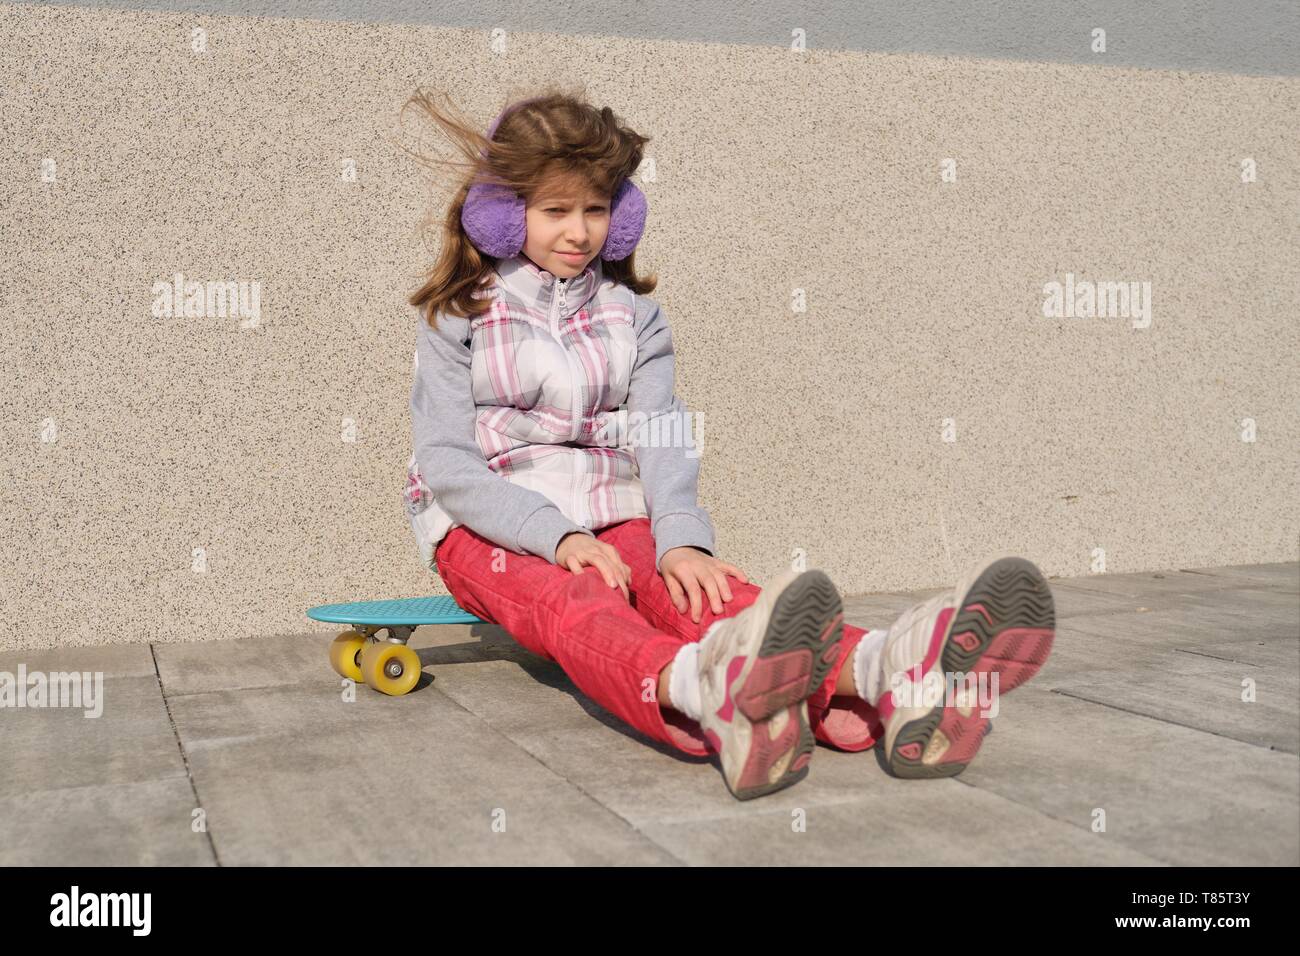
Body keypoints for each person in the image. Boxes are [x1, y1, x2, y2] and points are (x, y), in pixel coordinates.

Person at [401, 86, 1056, 800]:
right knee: (580, 604)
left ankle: (887, 670)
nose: (579, 232)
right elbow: (445, 462)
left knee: (704, 593)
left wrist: (680, 537)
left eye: (595, 209)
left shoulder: (634, 319)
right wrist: (553, 537)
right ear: (503, 215)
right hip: (488, 525)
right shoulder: (460, 318)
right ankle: (704, 689)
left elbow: (663, 433)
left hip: (613, 511)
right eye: (555, 210)